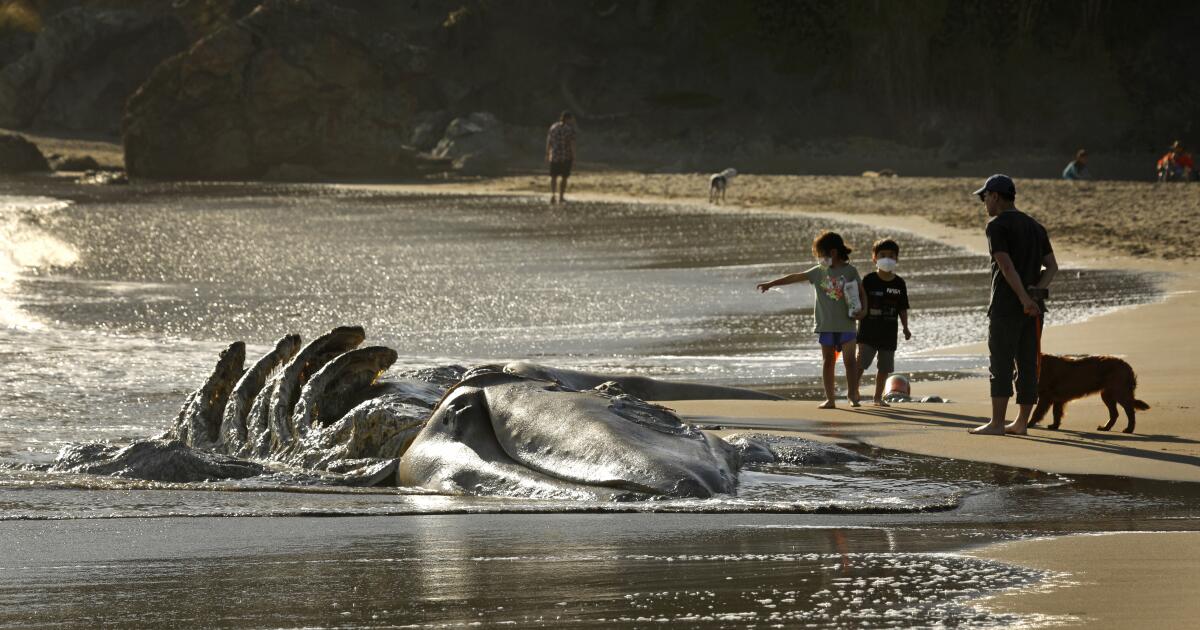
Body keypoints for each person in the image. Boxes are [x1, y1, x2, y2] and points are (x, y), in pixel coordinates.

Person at [969, 174, 1058, 436]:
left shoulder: (996, 226)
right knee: (1028, 364)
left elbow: (1006, 266)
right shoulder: (1035, 226)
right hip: (1034, 309)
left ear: (995, 196)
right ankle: (1021, 424)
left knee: (1001, 364)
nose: (984, 203)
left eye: (985, 197)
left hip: (1007, 306)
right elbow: (1052, 266)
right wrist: (1035, 294)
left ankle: (997, 423)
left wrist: (1023, 298)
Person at [757, 231, 867, 408]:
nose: (819, 258)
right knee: (828, 361)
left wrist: (864, 311)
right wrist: (771, 284)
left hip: (847, 324)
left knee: (850, 362)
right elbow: (795, 277)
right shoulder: (819, 271)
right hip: (826, 325)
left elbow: (861, 292)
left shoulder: (850, 271)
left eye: (820, 254)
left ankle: (853, 394)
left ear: (833, 252)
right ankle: (830, 399)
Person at [855, 238, 911, 407]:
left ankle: (877, 398)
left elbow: (902, 308)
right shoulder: (868, 280)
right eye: (883, 255)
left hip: (889, 333)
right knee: (860, 364)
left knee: (884, 368)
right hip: (867, 332)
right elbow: (858, 302)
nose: (887, 258)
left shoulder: (899, 283)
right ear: (874, 258)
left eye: (891, 255)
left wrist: (906, 328)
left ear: (897, 259)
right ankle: (853, 391)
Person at [545, 111, 576, 203]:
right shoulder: (569, 129)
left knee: (553, 176)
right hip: (566, 156)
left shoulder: (553, 127)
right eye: (571, 119)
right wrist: (574, 156)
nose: (572, 121)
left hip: (554, 156)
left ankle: (553, 194)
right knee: (564, 177)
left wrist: (547, 153)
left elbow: (549, 141)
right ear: (567, 119)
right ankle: (561, 196)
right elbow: (572, 144)